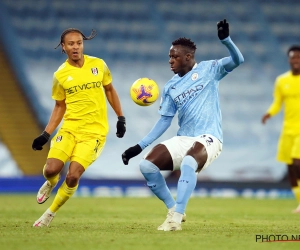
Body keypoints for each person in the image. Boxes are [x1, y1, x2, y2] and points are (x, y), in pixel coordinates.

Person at [122, 19, 244, 231]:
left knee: (189, 162)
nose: (170, 61)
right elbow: (164, 121)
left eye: (175, 56)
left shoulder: (210, 69)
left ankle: (176, 219)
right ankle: (173, 209)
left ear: (188, 57)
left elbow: (238, 60)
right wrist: (138, 147)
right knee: (146, 165)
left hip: (210, 137)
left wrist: (226, 40)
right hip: (184, 137)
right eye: (169, 56)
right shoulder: (170, 87)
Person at [31, 28, 126, 227]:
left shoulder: (98, 65)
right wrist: (45, 134)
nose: (76, 47)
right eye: (71, 44)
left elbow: (109, 90)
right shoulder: (60, 75)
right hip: (69, 129)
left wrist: (120, 117)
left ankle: (49, 214)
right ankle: (50, 183)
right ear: (63, 47)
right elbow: (59, 106)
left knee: (73, 175)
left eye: (79, 43)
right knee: (51, 169)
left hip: (94, 133)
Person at [261, 45, 300, 213]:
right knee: (290, 167)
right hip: (287, 130)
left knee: (298, 163)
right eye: (293, 57)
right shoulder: (282, 81)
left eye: (298, 57)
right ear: (289, 60)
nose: (296, 60)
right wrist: (269, 113)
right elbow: (277, 102)